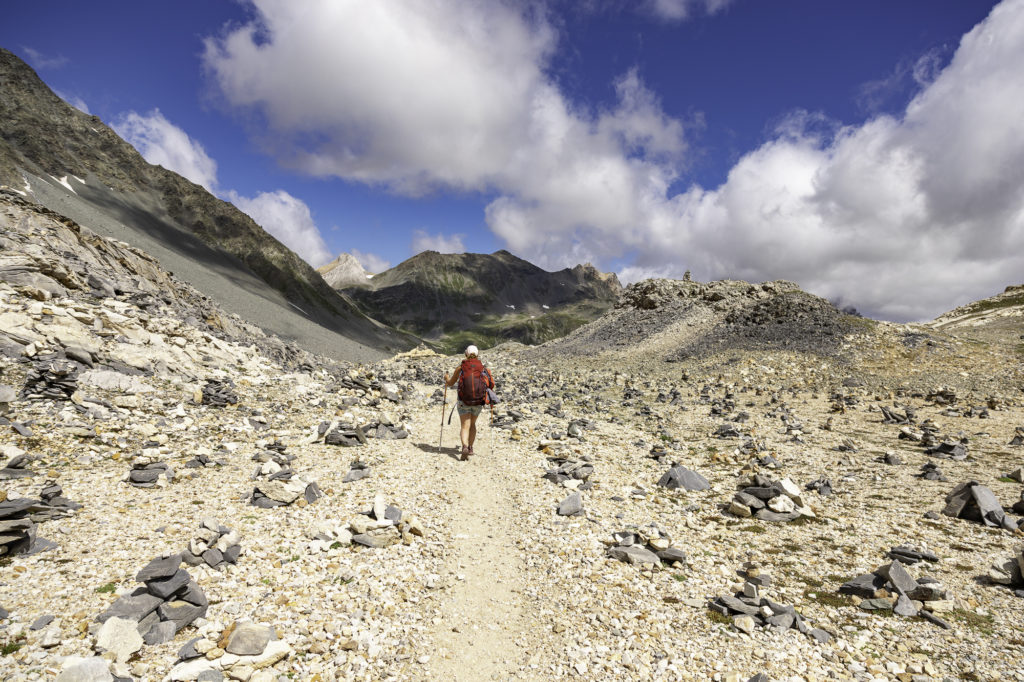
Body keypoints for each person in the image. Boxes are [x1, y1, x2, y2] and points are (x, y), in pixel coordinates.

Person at [444, 344, 495, 460]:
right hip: (478, 401)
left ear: (466, 354)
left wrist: (446, 378)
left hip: (463, 401)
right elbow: (491, 384)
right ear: (477, 355)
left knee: (464, 425)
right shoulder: (483, 368)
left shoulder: (461, 367)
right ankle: (471, 448)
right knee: (472, 424)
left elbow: (451, 383)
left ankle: (464, 447)